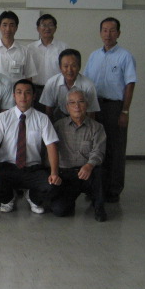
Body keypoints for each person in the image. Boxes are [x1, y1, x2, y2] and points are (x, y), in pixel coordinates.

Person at [0, 79, 61, 214]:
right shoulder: (3, 117)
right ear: (14, 95)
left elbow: (51, 146)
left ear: (34, 96)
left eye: (27, 93)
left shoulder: (42, 118)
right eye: (19, 92)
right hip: (8, 167)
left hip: (33, 169)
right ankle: (8, 198)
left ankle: (33, 197)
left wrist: (54, 172)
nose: (23, 97)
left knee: (53, 186)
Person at [83, 17, 137, 203]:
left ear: (119, 33)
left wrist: (125, 111)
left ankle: (113, 190)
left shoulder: (125, 56)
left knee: (115, 148)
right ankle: (94, 188)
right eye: (104, 30)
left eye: (112, 30)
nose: (108, 34)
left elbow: (130, 85)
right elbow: (87, 83)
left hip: (115, 107)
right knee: (94, 147)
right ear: (100, 33)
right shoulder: (94, 56)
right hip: (95, 106)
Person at [52, 89, 107, 222]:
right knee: (60, 210)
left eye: (81, 102)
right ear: (67, 107)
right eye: (72, 103)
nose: (77, 106)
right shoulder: (58, 126)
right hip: (66, 174)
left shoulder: (97, 127)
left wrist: (89, 165)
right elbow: (50, 151)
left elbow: (98, 152)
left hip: (87, 172)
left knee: (99, 171)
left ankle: (99, 207)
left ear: (86, 105)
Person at [39, 49, 100, 122]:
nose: (69, 70)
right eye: (65, 66)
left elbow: (91, 113)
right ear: (60, 67)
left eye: (73, 66)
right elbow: (48, 111)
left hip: (81, 119)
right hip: (59, 117)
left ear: (79, 66)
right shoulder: (51, 83)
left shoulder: (88, 85)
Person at [27, 14, 69, 110]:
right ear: (38, 28)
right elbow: (27, 72)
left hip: (57, 90)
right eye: (43, 25)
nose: (47, 28)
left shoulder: (63, 48)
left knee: (57, 119)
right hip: (37, 90)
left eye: (50, 25)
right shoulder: (30, 48)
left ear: (55, 28)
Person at [0, 10, 37, 84]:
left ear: (16, 28)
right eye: (4, 25)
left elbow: (29, 77)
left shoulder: (25, 51)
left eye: (11, 25)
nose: (8, 29)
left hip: (16, 93)